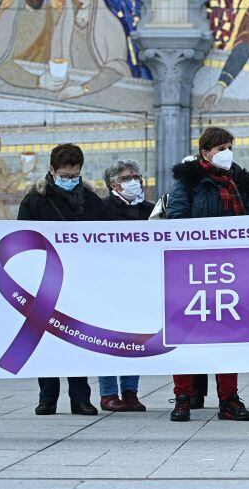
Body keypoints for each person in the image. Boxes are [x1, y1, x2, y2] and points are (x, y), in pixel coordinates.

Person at [165, 127, 249, 423]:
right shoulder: (188, 180)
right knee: (186, 335)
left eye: (230, 146)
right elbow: (176, 217)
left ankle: (228, 399)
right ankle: (183, 397)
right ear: (205, 153)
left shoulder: (241, 181)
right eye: (221, 148)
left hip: (230, 271)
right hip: (193, 269)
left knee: (228, 335)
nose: (227, 153)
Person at [17, 143, 105, 416]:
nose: (70, 181)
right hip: (45, 280)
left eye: (74, 176)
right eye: (64, 176)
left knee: (77, 338)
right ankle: (48, 397)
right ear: (52, 170)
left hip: (82, 281)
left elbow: (108, 238)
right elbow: (23, 238)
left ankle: (81, 397)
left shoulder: (91, 201)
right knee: (47, 338)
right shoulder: (34, 200)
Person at [96, 160, 154, 412]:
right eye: (126, 178)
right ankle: (108, 393)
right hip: (108, 283)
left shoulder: (152, 210)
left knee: (135, 338)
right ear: (112, 184)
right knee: (107, 339)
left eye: (136, 177)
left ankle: (131, 392)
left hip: (141, 283)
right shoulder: (101, 209)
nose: (134, 182)